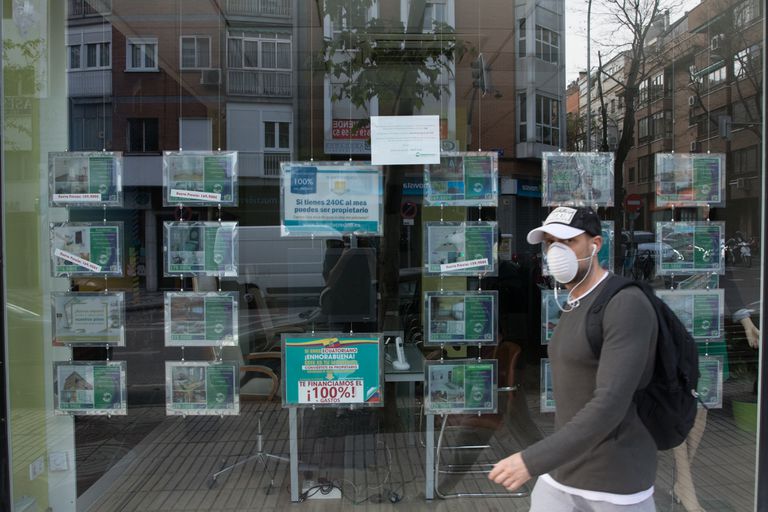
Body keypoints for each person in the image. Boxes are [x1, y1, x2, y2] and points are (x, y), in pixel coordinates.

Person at [489, 206, 659, 511]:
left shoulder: (624, 305)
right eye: (549, 243)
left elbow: (609, 404)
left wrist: (532, 460)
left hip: (613, 485)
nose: (555, 251)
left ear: (595, 245)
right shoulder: (574, 300)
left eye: (567, 242)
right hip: (562, 474)